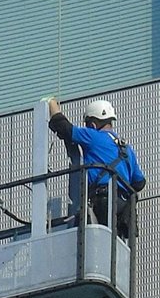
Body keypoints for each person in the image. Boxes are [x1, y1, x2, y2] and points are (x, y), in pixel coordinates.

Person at [46, 97, 146, 239]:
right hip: (123, 205)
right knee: (115, 245)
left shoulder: (93, 136)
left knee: (99, 243)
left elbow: (64, 128)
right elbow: (139, 182)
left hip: (103, 200)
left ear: (92, 124)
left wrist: (52, 105)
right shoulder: (126, 148)